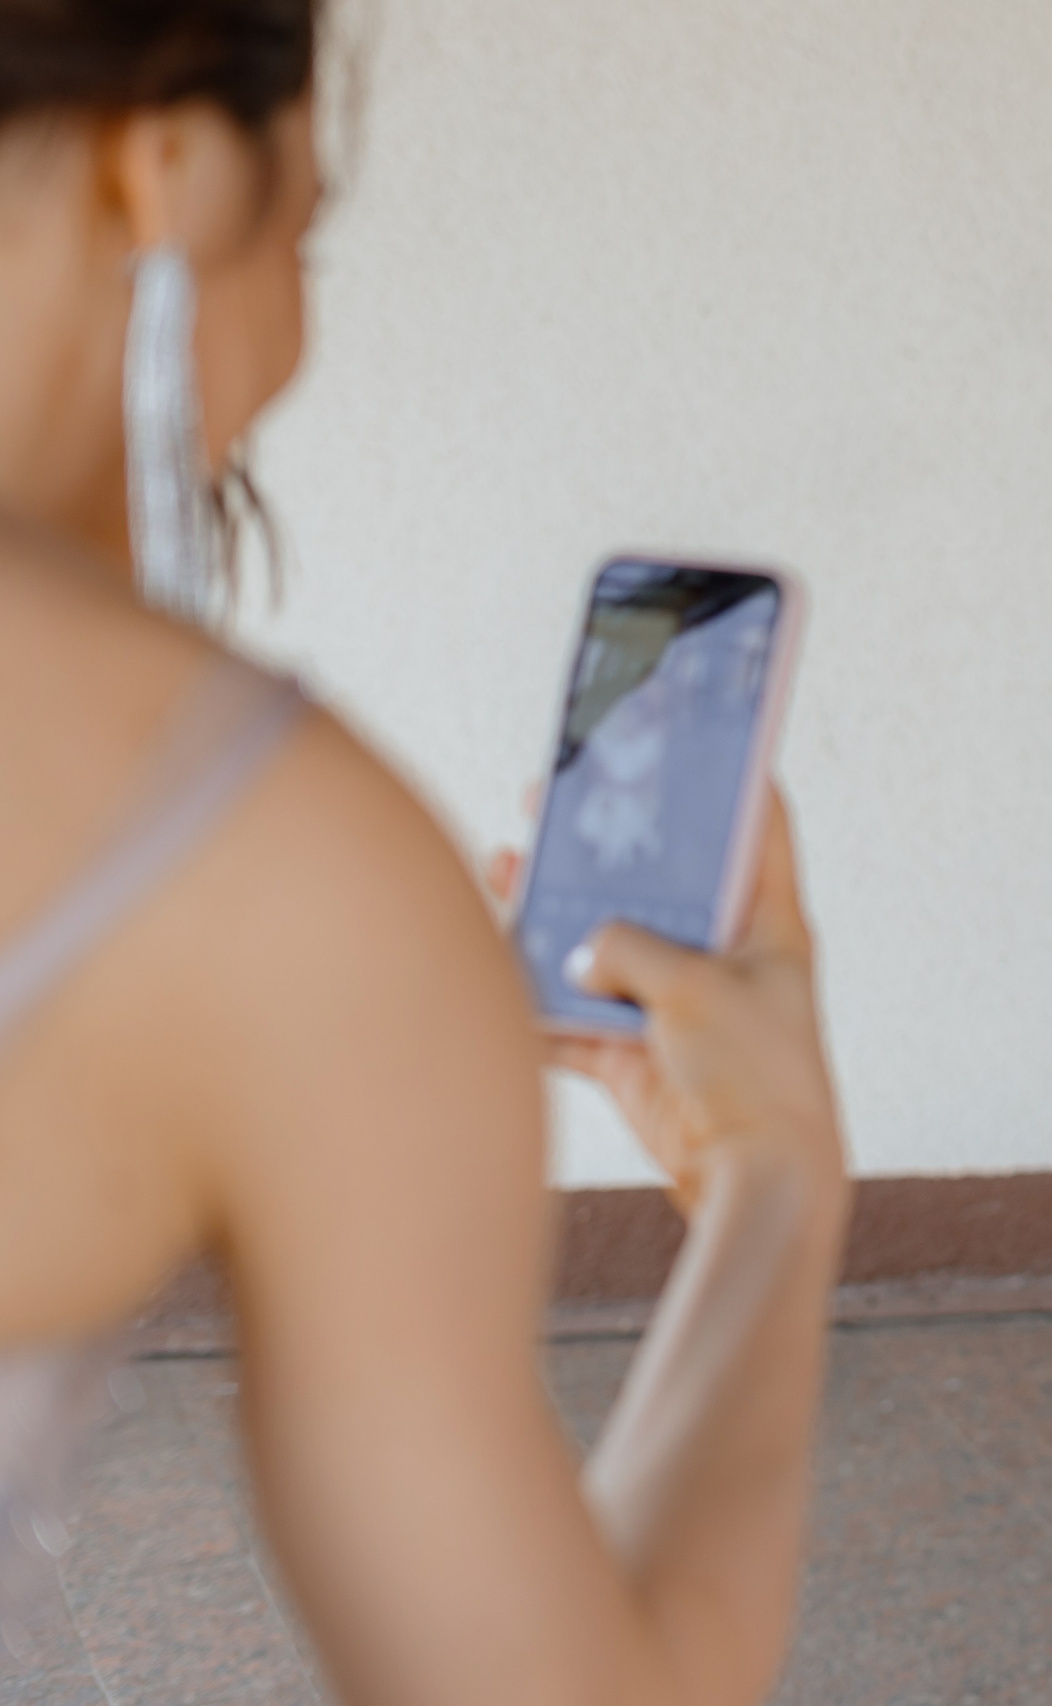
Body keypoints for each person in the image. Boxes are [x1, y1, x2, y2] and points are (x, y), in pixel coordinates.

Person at [0, 4, 850, 1700]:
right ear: (164, 171)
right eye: (301, 237)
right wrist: (776, 1183)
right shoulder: (259, 862)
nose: (290, 337)